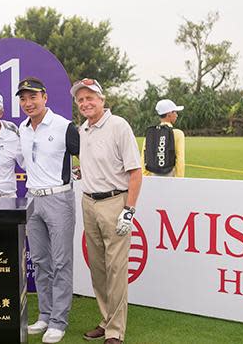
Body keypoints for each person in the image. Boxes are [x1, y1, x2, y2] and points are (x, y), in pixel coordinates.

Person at [71, 78, 142, 344]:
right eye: (81, 100)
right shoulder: (83, 129)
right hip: (89, 202)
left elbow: (135, 172)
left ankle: (115, 331)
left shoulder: (118, 126)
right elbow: (93, 165)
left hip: (114, 202)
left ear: (102, 100)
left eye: (90, 98)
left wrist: (129, 210)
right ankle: (106, 319)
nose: (85, 103)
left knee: (116, 269)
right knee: (98, 268)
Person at [18, 77, 79, 344]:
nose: (28, 103)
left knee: (61, 261)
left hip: (59, 198)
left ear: (44, 97)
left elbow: (85, 155)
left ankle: (58, 321)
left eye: (33, 97)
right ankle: (45, 314)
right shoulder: (22, 128)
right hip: (33, 199)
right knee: (41, 261)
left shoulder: (65, 126)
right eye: (23, 98)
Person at [141, 99, 185, 177]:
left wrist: (145, 178)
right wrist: (179, 180)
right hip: (171, 178)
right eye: (175, 112)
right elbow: (180, 159)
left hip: (152, 177)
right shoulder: (178, 133)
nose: (177, 115)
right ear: (169, 114)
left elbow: (144, 158)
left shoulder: (151, 133)